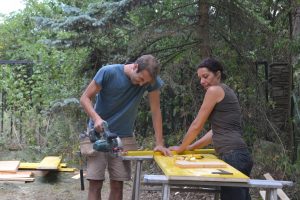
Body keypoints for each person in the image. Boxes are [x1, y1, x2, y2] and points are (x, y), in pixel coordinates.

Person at [80, 54, 171, 200]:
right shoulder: (108, 72)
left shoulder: (150, 81)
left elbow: (155, 110)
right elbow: (84, 98)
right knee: (95, 183)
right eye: (141, 79)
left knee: (118, 184)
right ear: (135, 66)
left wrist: (159, 143)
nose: (142, 85)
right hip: (98, 135)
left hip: (124, 137)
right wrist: (96, 118)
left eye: (145, 83)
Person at [169, 57, 253, 200]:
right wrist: (191, 146)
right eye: (200, 77)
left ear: (218, 75)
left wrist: (181, 148)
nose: (202, 81)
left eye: (205, 76)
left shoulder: (214, 90)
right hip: (239, 156)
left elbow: (197, 125)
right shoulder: (225, 91)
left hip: (233, 157)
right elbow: (215, 131)